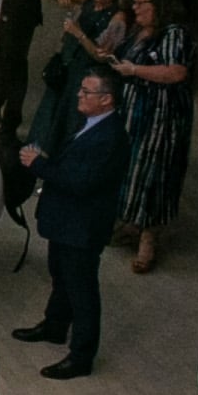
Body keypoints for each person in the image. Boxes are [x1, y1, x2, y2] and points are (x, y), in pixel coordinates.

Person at [24, 68, 127, 378]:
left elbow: (82, 182)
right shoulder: (91, 126)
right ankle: (55, 324)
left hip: (83, 226)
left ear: (106, 99)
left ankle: (81, 355)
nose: (79, 96)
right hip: (66, 221)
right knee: (61, 275)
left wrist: (39, 165)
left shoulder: (109, 137)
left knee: (82, 290)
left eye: (87, 92)